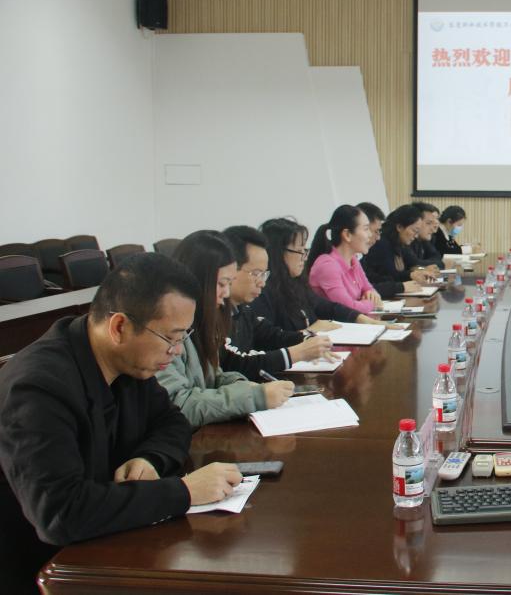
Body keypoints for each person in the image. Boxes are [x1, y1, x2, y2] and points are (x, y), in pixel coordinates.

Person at [0, 254, 242, 593]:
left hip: (108, 541)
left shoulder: (130, 361)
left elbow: (172, 421)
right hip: (47, 569)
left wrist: (150, 458)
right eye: (171, 337)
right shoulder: (38, 387)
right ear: (119, 327)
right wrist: (185, 492)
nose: (176, 351)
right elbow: (60, 513)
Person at [156, 231, 294, 428]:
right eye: (221, 284)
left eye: (229, 283)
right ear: (198, 280)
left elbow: (215, 376)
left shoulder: (204, 322)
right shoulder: (166, 330)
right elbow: (179, 404)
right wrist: (254, 396)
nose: (226, 293)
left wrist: (241, 384)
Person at [220, 226, 337, 381]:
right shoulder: (211, 314)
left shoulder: (242, 310)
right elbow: (234, 364)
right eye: (256, 273)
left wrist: (307, 339)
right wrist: (299, 352)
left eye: (264, 274)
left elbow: (274, 336)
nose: (262, 283)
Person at [252, 217, 384, 331]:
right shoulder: (262, 291)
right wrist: (309, 331)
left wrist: (364, 319)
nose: (304, 257)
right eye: (299, 251)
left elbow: (325, 306)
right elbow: (268, 339)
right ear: (278, 253)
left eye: (305, 250)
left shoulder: (295, 284)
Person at [362, 204, 435, 292]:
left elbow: (414, 263)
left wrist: (417, 272)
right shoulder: (382, 244)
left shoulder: (400, 243)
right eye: (414, 231)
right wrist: (404, 283)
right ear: (399, 227)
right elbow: (387, 277)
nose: (416, 236)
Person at [409, 201, 444, 269]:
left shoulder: (424, 239)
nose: (433, 229)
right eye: (428, 223)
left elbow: (437, 258)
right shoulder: (407, 241)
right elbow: (414, 263)